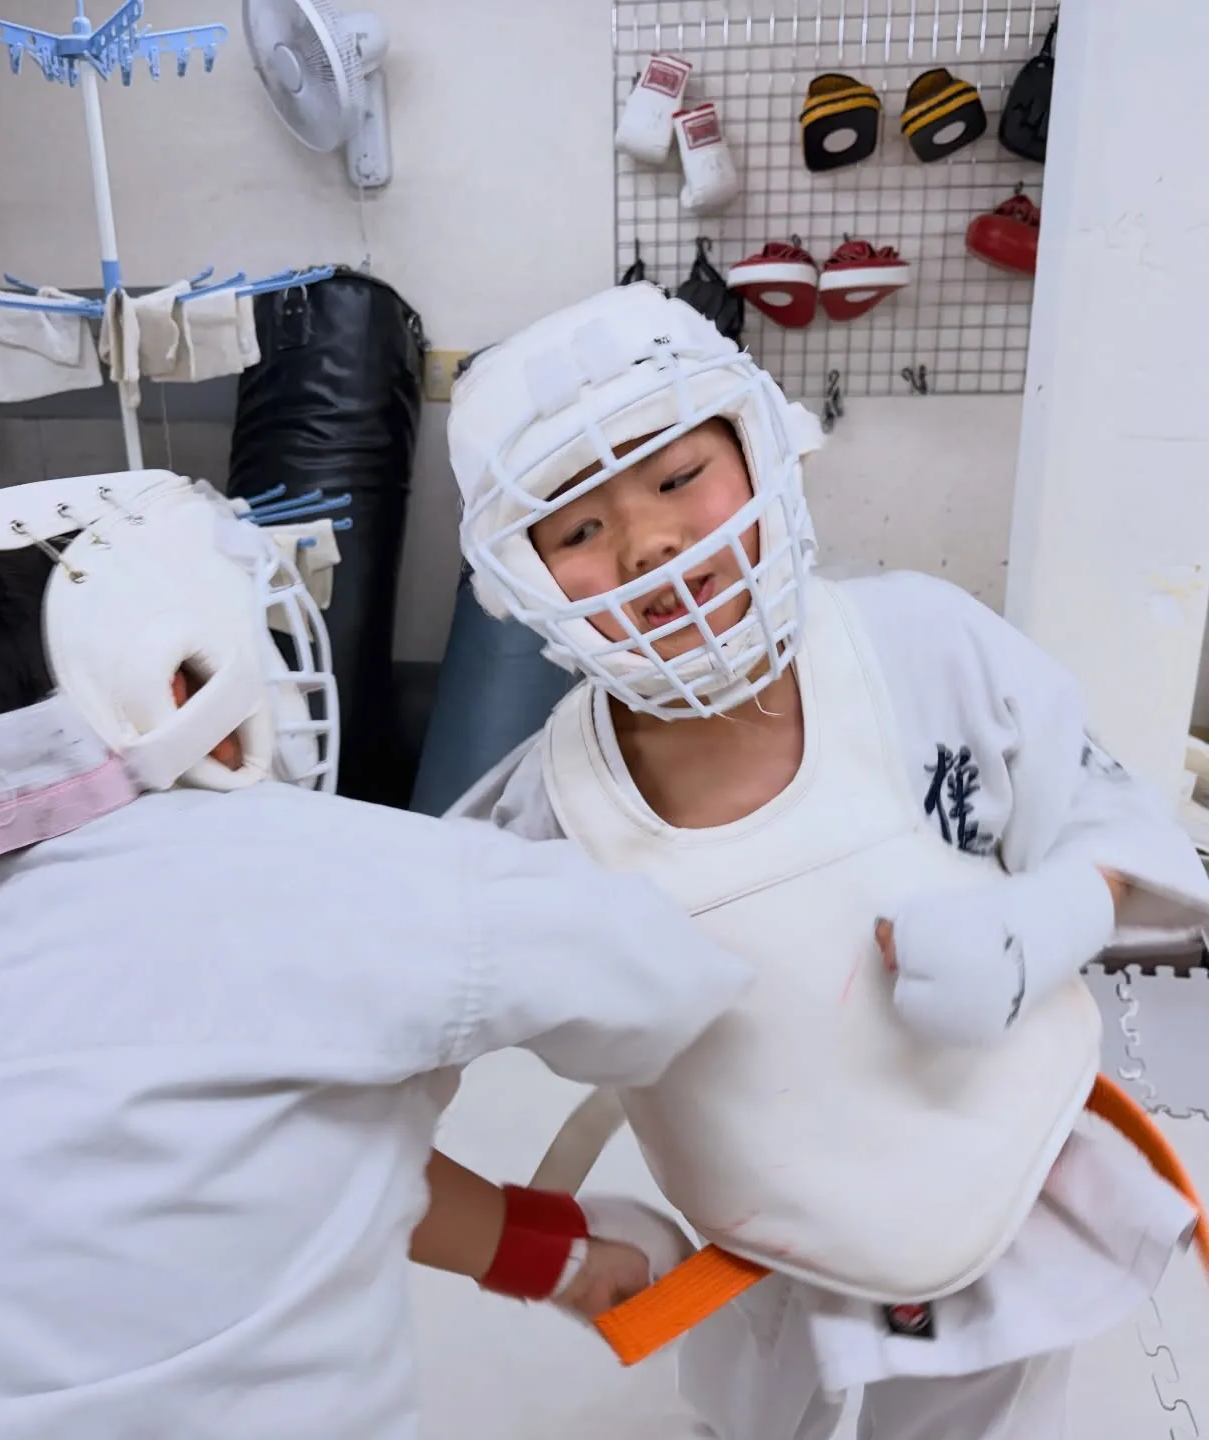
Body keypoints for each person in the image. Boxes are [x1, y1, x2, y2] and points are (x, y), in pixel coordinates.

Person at [0, 470, 746, 1440]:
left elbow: (284, 1158)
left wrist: (552, 1255)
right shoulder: (343, 872)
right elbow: (666, 981)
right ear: (175, 680)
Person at [445, 283, 1209, 1439]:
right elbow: (391, 1039)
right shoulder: (553, 810)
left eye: (674, 477)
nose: (649, 540)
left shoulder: (921, 643)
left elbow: (1107, 813)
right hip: (770, 1249)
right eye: (579, 529)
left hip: (1005, 1184)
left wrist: (1053, 913)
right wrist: (529, 1245)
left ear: (759, 451)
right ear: (526, 580)